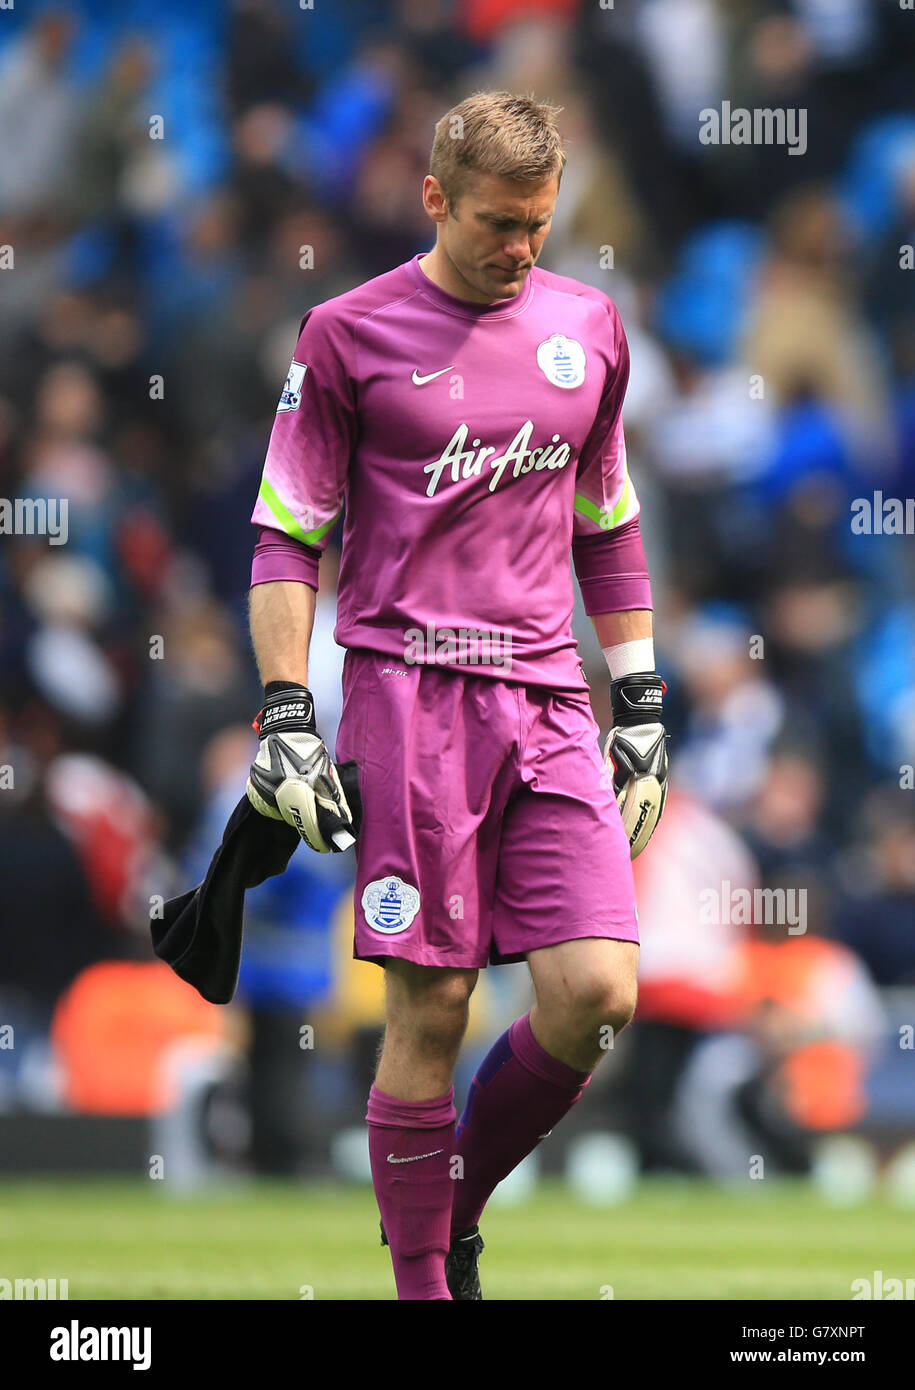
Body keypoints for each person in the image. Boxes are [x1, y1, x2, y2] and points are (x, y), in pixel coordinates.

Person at [244, 91, 668, 1300]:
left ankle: (450, 1205)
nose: (521, 247)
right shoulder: (344, 333)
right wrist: (285, 709)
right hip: (407, 698)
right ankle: (425, 1288)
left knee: (598, 994)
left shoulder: (590, 327)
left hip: (549, 700)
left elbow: (609, 521)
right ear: (435, 198)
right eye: (498, 222)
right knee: (430, 1010)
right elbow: (286, 533)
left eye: (538, 224)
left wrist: (637, 700)